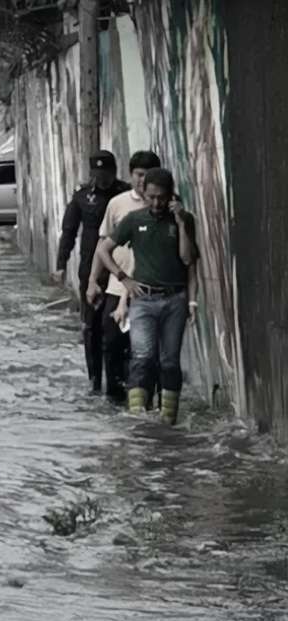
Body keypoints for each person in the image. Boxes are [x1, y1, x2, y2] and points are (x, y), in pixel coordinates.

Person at [94, 167, 199, 424]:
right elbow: (104, 250)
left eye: (161, 197)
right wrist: (123, 278)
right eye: (151, 197)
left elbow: (187, 259)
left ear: (171, 195)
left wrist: (181, 223)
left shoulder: (184, 220)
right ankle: (138, 422)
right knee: (142, 358)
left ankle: (168, 420)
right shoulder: (134, 220)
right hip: (142, 300)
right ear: (143, 193)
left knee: (169, 362)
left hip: (175, 300)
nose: (156, 203)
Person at [87, 150, 162, 405]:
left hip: (152, 289)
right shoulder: (117, 204)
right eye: (138, 175)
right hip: (118, 286)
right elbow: (102, 245)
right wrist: (93, 280)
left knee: (147, 350)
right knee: (112, 343)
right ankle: (114, 400)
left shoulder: (164, 204)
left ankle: (145, 401)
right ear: (130, 175)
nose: (142, 181)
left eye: (147, 175)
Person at [54, 150, 130, 394]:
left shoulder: (125, 194)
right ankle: (95, 380)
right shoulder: (82, 196)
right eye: (97, 174)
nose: (102, 178)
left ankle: (119, 380)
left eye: (105, 173)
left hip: (120, 268)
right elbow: (69, 230)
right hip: (91, 271)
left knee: (118, 326)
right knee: (91, 327)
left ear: (114, 171)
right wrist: (61, 263)